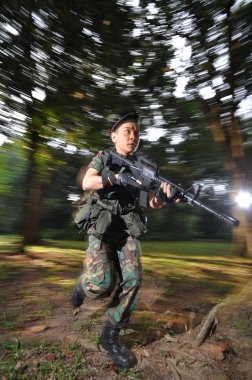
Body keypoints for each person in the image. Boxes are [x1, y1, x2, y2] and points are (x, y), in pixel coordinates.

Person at [71, 111, 173, 370]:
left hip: (128, 229)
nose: (132, 136)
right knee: (102, 284)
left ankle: (110, 336)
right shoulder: (104, 157)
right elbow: (87, 182)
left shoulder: (145, 169)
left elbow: (150, 202)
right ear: (114, 135)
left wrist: (162, 197)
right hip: (103, 227)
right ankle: (85, 285)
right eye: (127, 130)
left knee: (133, 281)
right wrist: (114, 177)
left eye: (136, 132)